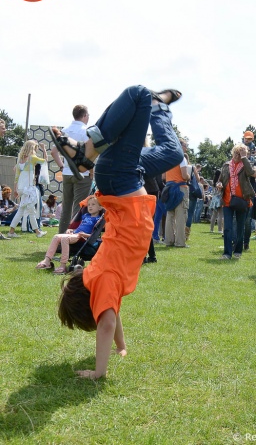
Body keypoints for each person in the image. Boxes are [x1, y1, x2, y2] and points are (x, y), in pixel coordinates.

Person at [52, 86, 183, 379]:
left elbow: (107, 322)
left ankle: (87, 149)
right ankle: (160, 106)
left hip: (121, 179)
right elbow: (114, 317)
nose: (105, 317)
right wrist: (121, 346)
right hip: (125, 175)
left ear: (92, 305)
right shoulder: (102, 281)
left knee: (137, 94)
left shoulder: (104, 280)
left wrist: (99, 372)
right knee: (172, 152)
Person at [51, 105, 93, 233]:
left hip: (67, 173)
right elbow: (90, 154)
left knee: (66, 208)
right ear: (85, 115)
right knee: (79, 208)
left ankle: (61, 237)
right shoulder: (86, 131)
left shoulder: (65, 130)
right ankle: (73, 239)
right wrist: (92, 171)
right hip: (82, 174)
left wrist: (62, 166)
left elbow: (53, 152)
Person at [37, 195, 103, 273]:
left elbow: (94, 234)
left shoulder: (98, 219)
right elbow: (79, 227)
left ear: (100, 208)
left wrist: (85, 235)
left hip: (82, 237)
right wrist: (71, 229)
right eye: (88, 205)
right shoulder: (85, 216)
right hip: (75, 234)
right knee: (56, 236)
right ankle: (47, 261)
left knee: (65, 238)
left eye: (93, 204)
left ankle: (63, 266)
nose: (90, 207)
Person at [219, 143, 255, 260]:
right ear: (232, 152)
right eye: (236, 153)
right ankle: (227, 253)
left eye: (241, 154)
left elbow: (251, 173)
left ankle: (238, 251)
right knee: (228, 227)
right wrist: (219, 184)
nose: (237, 156)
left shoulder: (245, 165)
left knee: (240, 227)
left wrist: (245, 158)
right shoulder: (226, 165)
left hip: (242, 200)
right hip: (227, 200)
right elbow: (220, 180)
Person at [8, 141, 48, 238]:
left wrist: (16, 190)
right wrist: (44, 149)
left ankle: (12, 232)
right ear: (33, 148)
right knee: (31, 210)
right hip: (29, 188)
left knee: (22, 210)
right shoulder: (32, 158)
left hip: (22, 188)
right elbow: (45, 161)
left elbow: (16, 177)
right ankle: (38, 232)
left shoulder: (20, 160)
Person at [164, 138, 190, 248]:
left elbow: (163, 177)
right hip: (180, 188)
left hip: (169, 188)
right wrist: (189, 176)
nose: (186, 148)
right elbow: (184, 176)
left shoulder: (169, 158)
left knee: (170, 215)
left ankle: (169, 240)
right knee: (180, 216)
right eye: (185, 146)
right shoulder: (181, 158)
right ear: (180, 146)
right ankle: (180, 242)